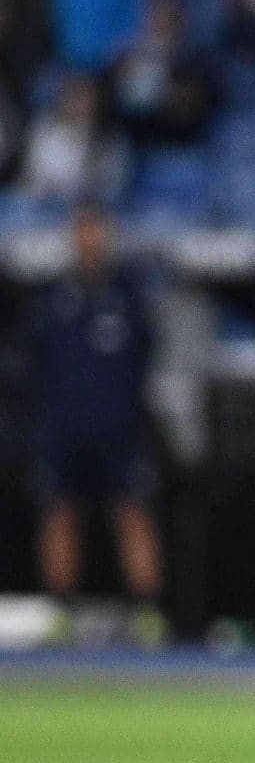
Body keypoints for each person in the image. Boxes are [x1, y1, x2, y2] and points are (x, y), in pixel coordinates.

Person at [30, 203, 165, 647]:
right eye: (82, 231)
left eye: (96, 231)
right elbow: (38, 365)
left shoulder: (128, 297)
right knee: (61, 512)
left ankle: (146, 612)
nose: (89, 240)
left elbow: (149, 357)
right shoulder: (53, 300)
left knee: (131, 511)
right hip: (64, 428)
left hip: (120, 429)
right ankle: (61, 610)